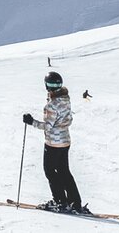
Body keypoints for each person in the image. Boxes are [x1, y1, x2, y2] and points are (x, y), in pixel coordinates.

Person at [23, 71, 88, 215]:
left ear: (47, 86)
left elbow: (48, 126)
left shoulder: (52, 105)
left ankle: (60, 202)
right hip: (65, 141)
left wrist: (31, 122)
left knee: (50, 171)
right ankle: (75, 202)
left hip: (53, 143)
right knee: (64, 171)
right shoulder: (66, 100)